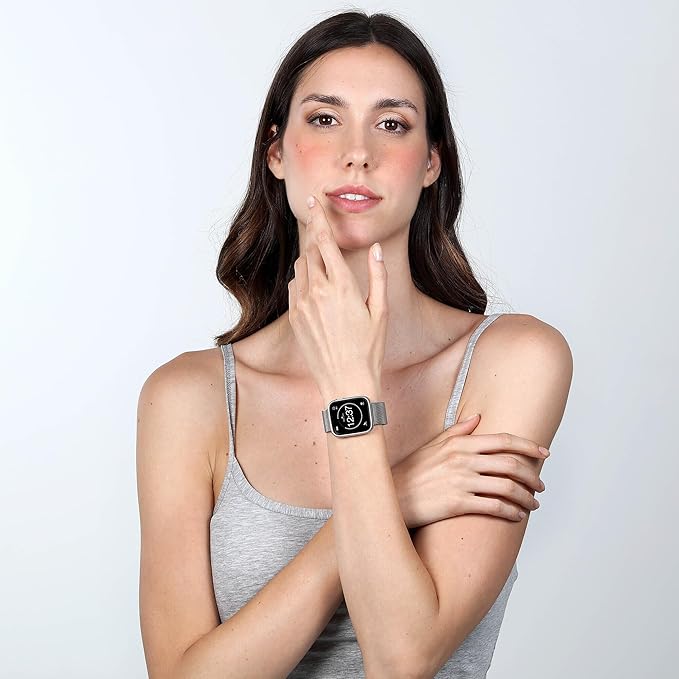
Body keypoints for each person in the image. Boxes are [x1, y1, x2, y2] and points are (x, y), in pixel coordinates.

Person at [136, 10, 573, 678]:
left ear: (431, 162)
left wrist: (349, 387)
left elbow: (402, 657)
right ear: (276, 152)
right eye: (324, 118)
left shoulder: (512, 361)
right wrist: (397, 491)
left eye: (391, 123)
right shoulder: (187, 398)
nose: (357, 152)